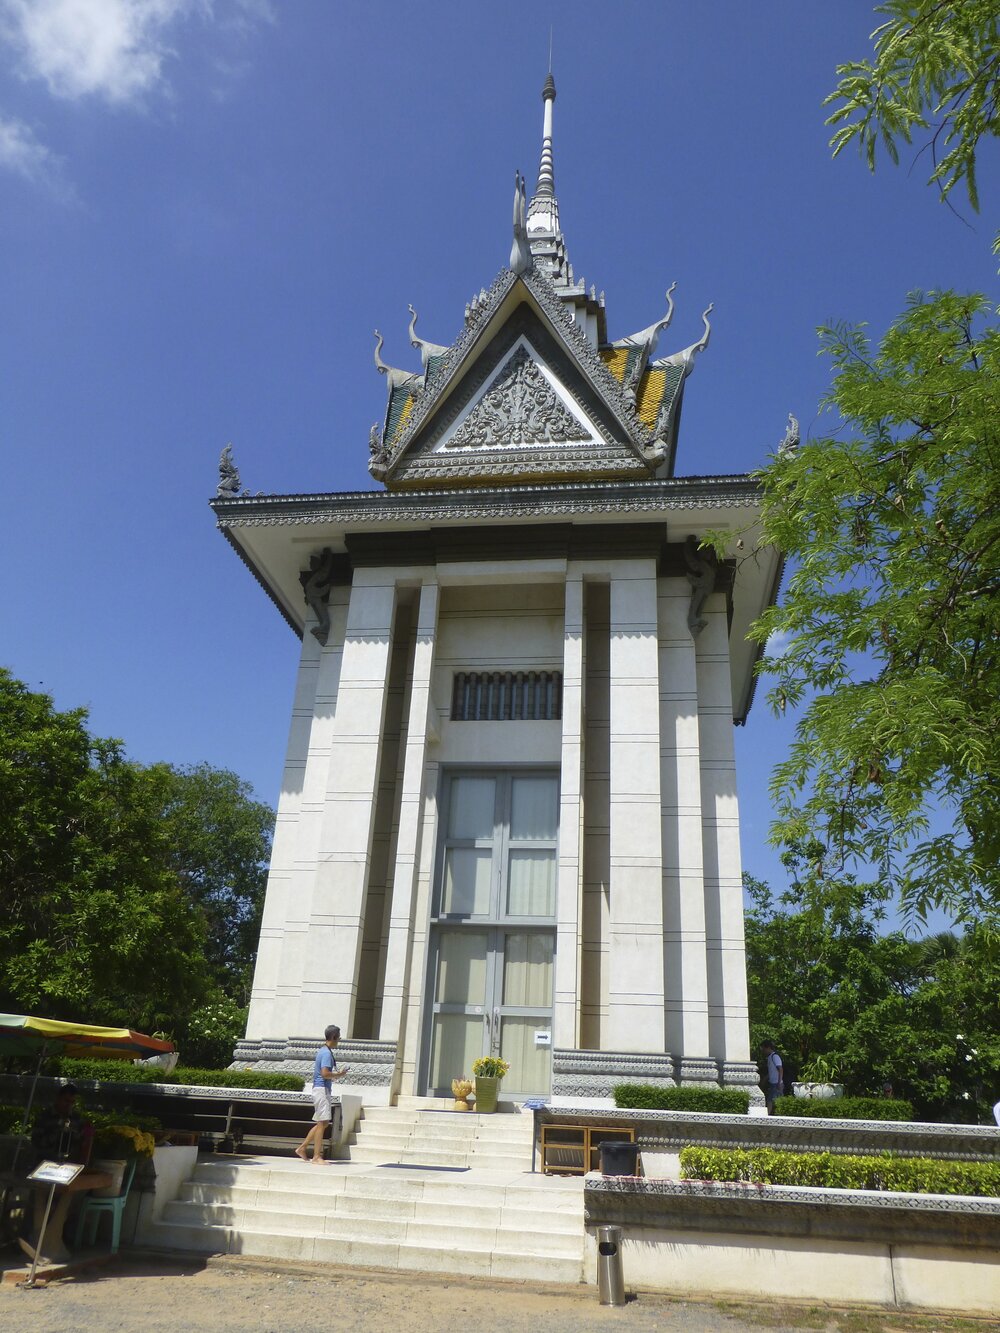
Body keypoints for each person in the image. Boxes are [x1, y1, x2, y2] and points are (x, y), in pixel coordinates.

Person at [295, 1025, 349, 1165]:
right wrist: (339, 1074)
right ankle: (316, 1156)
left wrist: (336, 1075)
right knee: (323, 1122)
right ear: (333, 1037)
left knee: (322, 1122)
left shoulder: (325, 1051)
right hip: (321, 1089)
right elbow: (325, 1073)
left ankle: (302, 1148)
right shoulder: (326, 1053)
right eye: (339, 1037)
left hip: (321, 1089)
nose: (339, 1040)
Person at [30, 1082, 93, 1166]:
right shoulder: (44, 1117)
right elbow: (36, 1142)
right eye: (66, 1101)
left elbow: (82, 1143)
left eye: (72, 1102)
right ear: (58, 1098)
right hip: (45, 1163)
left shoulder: (77, 1118)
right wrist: (57, 1133)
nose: (69, 1105)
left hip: (68, 1165)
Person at [761, 1041, 784, 1114]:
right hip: (773, 1082)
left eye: (764, 1049)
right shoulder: (770, 1057)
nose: (763, 1051)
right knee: (774, 1100)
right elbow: (772, 1071)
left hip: (776, 1083)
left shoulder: (775, 1056)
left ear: (768, 1048)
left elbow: (780, 1069)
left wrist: (779, 1082)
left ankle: (768, 1115)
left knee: (770, 1100)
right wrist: (765, 1078)